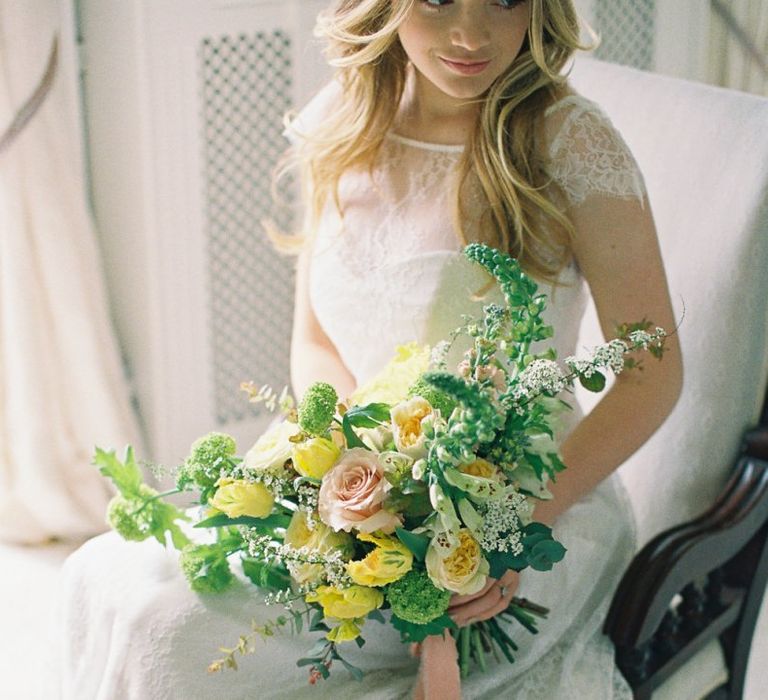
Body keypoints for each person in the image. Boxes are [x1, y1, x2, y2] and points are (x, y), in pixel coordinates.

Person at [57, 1, 682, 698]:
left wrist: (509, 526)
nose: (470, 35)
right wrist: (346, 474)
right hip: (362, 489)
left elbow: (651, 377)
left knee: (165, 631)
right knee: (105, 581)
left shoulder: (570, 144)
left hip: (528, 508)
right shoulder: (341, 122)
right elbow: (317, 338)